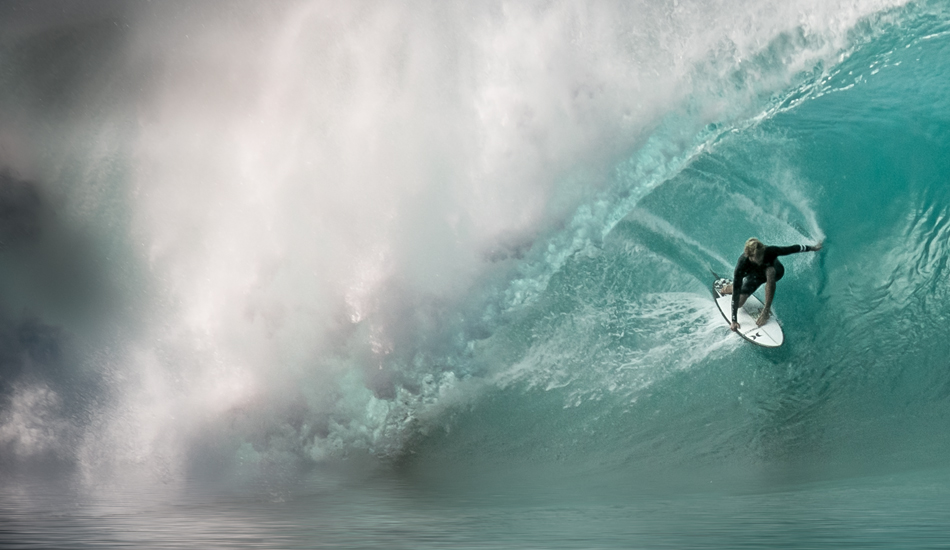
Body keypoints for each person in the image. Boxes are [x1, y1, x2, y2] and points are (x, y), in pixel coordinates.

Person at [722, 237, 823, 331]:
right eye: (758, 257)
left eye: (761, 254)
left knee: (770, 271)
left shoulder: (769, 251)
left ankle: (766, 310)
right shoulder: (742, 264)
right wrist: (734, 320)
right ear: (750, 256)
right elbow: (735, 295)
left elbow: (792, 248)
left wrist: (812, 248)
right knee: (739, 302)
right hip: (755, 277)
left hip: (776, 272)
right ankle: (730, 287)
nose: (761, 258)